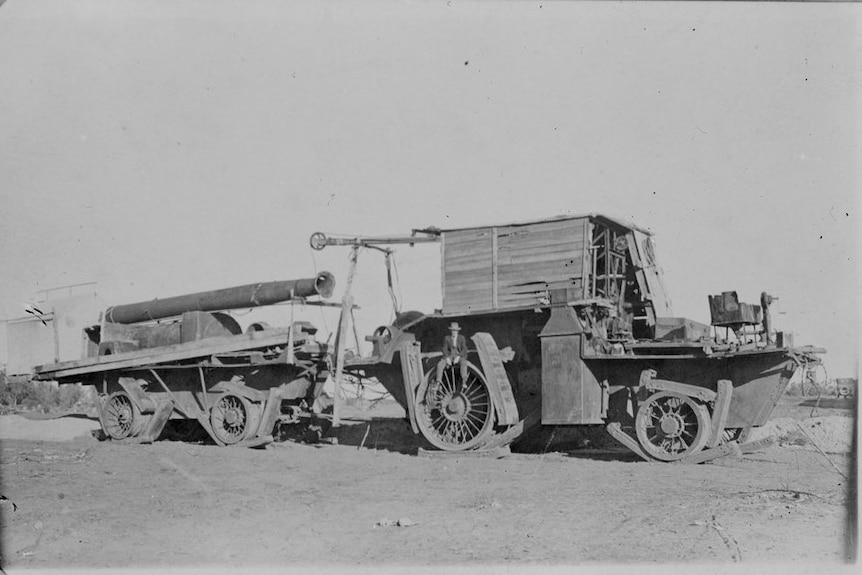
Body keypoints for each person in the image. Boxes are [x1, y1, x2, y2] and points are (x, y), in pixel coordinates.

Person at [427, 322, 470, 408]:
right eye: (452, 331)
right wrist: (446, 358)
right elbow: (444, 349)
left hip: (458, 356)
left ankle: (464, 381)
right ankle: (438, 382)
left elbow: (464, 349)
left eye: (455, 331)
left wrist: (459, 356)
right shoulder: (447, 338)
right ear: (451, 331)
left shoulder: (461, 338)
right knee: (440, 364)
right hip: (450, 356)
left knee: (464, 363)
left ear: (457, 331)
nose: (454, 332)